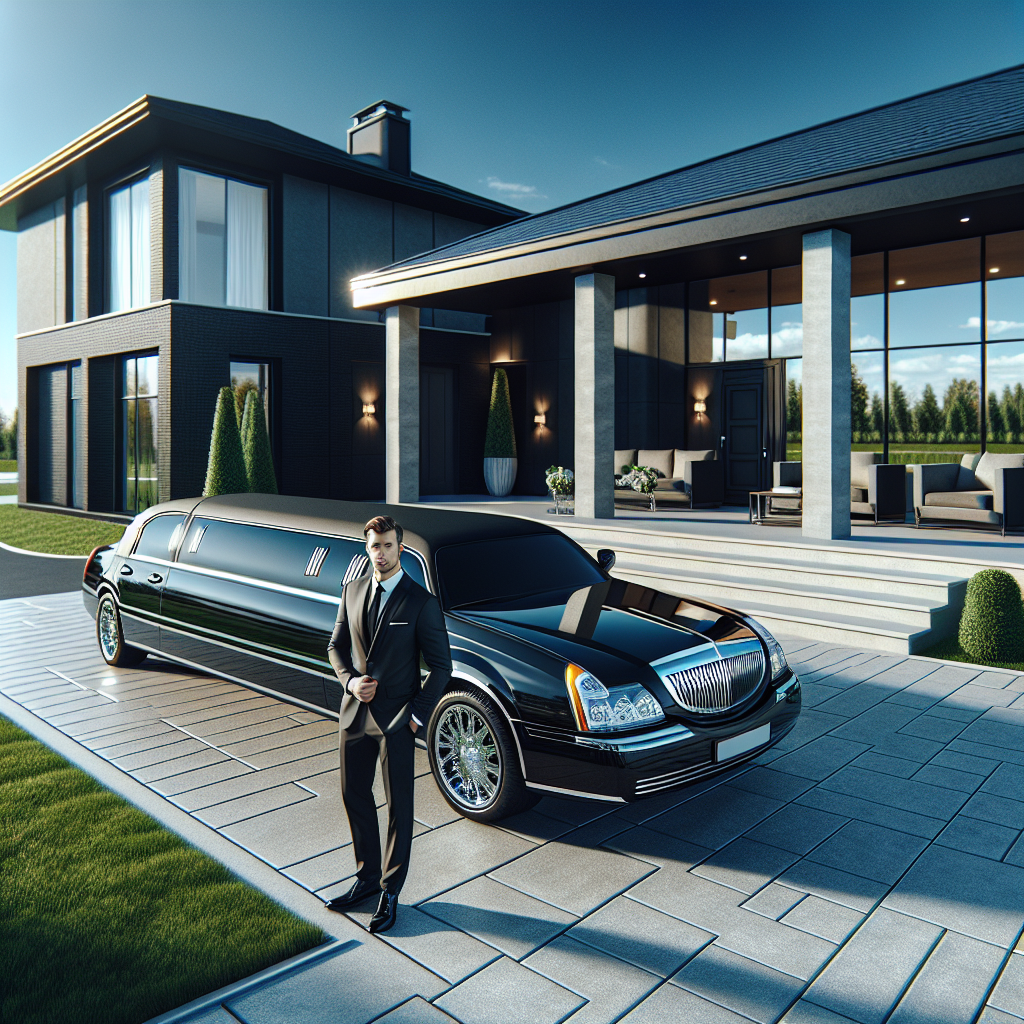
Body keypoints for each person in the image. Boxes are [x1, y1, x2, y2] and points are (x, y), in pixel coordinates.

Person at [324, 514, 451, 933]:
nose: (381, 553)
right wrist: (349, 682)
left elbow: (442, 667)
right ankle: (365, 878)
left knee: (399, 806)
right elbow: (336, 647)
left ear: (401, 548)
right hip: (354, 716)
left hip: (398, 720)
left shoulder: (421, 602)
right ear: (367, 548)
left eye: (389, 546)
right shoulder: (352, 590)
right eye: (375, 546)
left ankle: (390, 890)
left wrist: (415, 717)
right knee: (353, 794)